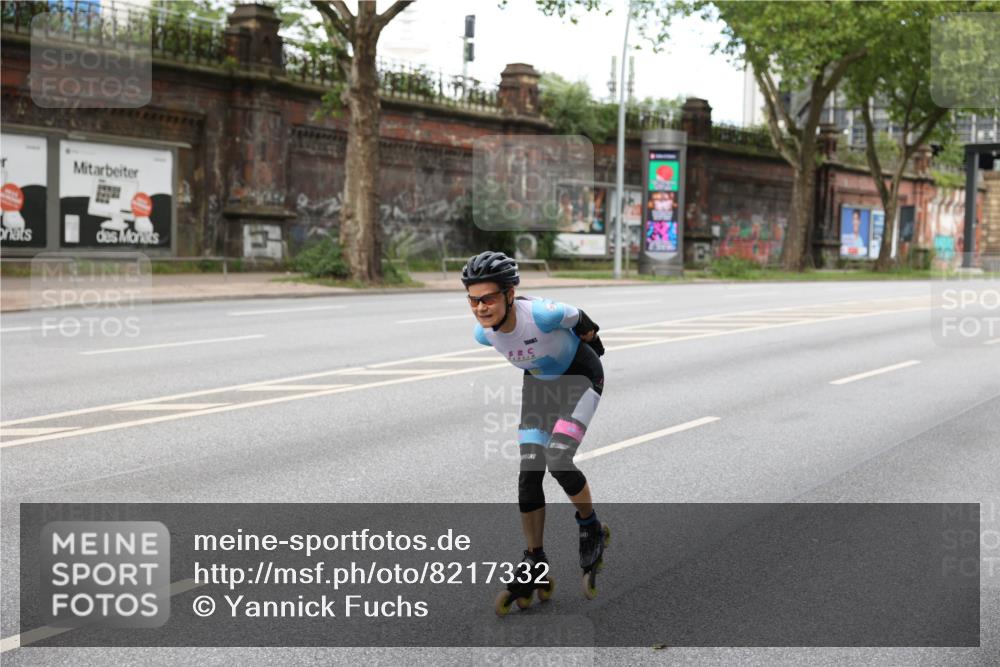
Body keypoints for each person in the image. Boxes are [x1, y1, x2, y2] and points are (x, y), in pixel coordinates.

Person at [460, 250, 610, 612]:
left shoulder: (543, 315)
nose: (481, 307)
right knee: (529, 473)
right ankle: (534, 560)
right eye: (473, 300)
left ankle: (591, 527)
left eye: (489, 298)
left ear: (510, 294)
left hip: (580, 379)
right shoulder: (484, 335)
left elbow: (583, 320)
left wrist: (591, 336)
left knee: (558, 460)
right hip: (541, 387)